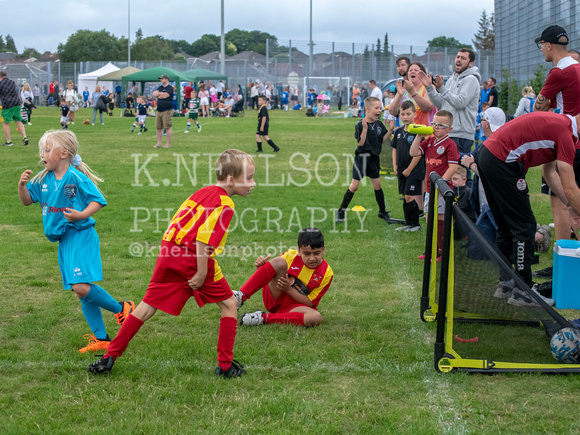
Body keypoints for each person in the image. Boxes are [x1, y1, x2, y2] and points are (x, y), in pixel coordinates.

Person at [87, 149, 256, 378]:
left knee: (145, 308)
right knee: (229, 305)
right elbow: (202, 240)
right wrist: (201, 272)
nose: (253, 183)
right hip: (191, 258)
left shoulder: (201, 193)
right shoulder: (225, 203)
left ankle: (109, 358)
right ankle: (225, 366)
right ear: (230, 180)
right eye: (249, 178)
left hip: (168, 253)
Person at [18, 130, 135, 353]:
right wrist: (22, 186)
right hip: (64, 240)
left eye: (46, 149)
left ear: (63, 153)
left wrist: (81, 214)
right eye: (41, 150)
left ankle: (122, 308)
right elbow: (26, 201)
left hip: (80, 234)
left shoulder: (75, 177)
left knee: (80, 286)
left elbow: (98, 201)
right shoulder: (43, 178)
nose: (41, 155)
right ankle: (101, 337)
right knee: (80, 290)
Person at [477, 111, 580, 306]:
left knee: (506, 227)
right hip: (502, 160)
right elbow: (570, 186)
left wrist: (569, 205)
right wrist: (576, 204)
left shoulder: (561, 125)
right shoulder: (566, 134)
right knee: (525, 227)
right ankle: (522, 291)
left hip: (488, 154)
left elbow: (549, 172)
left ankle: (505, 284)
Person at [534, 25, 580, 277]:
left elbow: (538, 112)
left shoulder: (558, 72)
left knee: (562, 203)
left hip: (568, 142)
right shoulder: (577, 67)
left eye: (541, 44)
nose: (541, 49)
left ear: (548, 45)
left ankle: (564, 264)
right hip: (574, 140)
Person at [235, 228, 333, 328]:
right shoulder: (291, 255)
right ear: (298, 250)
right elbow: (271, 273)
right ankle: (240, 297)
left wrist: (289, 289)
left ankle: (263, 318)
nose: (312, 258)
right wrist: (261, 267)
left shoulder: (327, 273)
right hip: (275, 297)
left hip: (295, 307)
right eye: (306, 254)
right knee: (279, 262)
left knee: (315, 318)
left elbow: (310, 302)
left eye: (317, 253)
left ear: (323, 250)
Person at [418, 48, 481, 187]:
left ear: (470, 63)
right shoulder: (452, 79)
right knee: (447, 172)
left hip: (461, 135)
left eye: (463, 58)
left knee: (460, 173)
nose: (458, 60)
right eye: (457, 56)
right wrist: (430, 88)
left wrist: (442, 89)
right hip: (448, 132)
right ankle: (449, 206)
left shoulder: (472, 80)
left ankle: (465, 205)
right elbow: (441, 104)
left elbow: (460, 102)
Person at [410, 110, 460, 260]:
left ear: (449, 129)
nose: (435, 127)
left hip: (441, 190)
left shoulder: (450, 145)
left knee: (441, 220)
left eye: (440, 125)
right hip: (430, 190)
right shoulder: (429, 141)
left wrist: (441, 185)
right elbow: (413, 153)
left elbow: (453, 167)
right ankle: (431, 250)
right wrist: (419, 137)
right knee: (429, 219)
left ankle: (442, 252)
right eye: (434, 123)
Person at [336, 96, 395, 224]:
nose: (379, 110)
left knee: (378, 186)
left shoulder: (379, 124)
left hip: (373, 160)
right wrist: (365, 129)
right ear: (368, 109)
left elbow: (382, 140)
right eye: (376, 108)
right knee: (354, 186)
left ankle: (382, 212)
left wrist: (390, 131)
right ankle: (341, 211)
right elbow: (361, 143)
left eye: (380, 108)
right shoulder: (360, 124)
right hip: (361, 159)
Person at [391, 100, 425, 232]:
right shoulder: (398, 131)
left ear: (414, 114)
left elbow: (419, 154)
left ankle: (416, 224)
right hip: (401, 170)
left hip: (413, 170)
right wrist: (395, 165)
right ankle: (408, 222)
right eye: (402, 114)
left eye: (408, 113)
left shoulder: (418, 131)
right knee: (405, 197)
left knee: (410, 196)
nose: (405, 117)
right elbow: (394, 149)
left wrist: (409, 169)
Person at [0, 71, 29, 146]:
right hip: (16, 103)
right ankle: (25, 137)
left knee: (5, 123)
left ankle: (9, 141)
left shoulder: (1, 84)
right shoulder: (12, 82)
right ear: (6, 75)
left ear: (0, 77)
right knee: (18, 121)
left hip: (7, 105)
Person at [152, 74, 174, 149]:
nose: (161, 80)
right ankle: (159, 143)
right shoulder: (160, 87)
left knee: (167, 127)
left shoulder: (170, 88)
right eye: (160, 79)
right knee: (158, 127)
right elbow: (154, 94)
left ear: (166, 79)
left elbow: (165, 96)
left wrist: (159, 94)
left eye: (162, 79)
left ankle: (168, 144)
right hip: (159, 110)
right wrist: (159, 94)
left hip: (167, 110)